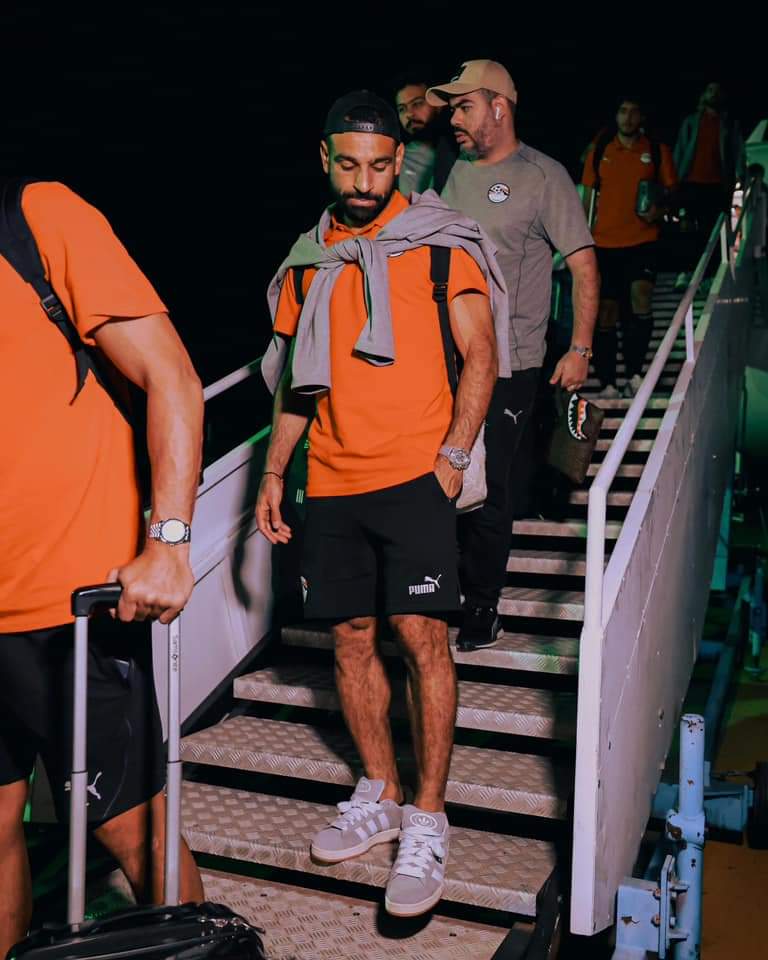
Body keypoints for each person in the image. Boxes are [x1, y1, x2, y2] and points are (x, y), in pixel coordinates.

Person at [256, 90, 507, 918]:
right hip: (330, 480)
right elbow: (296, 383)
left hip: (415, 476)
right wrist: (273, 472)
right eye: (348, 165)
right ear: (324, 160)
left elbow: (481, 354)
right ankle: (380, 791)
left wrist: (452, 460)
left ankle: (428, 817)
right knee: (351, 637)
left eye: (378, 165)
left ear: (400, 161)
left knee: (422, 638)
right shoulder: (309, 260)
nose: (363, 182)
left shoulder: (440, 246)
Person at [0, 180, 205, 953]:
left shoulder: (37, 218)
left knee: (132, 832)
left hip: (75, 611)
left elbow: (172, 377)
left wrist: (169, 542)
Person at [426, 59, 599, 649]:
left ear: (499, 107)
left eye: (464, 106)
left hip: (511, 362)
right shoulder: (455, 173)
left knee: (490, 484)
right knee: (442, 473)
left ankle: (481, 607)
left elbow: (584, 266)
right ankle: (439, 589)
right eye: (452, 108)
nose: (454, 118)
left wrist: (579, 348)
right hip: (448, 360)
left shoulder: (543, 176)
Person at [580, 96, 678, 399]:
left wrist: (660, 210)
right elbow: (587, 196)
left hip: (643, 240)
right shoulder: (600, 150)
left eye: (634, 111)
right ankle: (608, 382)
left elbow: (671, 192)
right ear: (615, 116)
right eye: (623, 111)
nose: (628, 117)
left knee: (640, 296)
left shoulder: (656, 150)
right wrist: (581, 239)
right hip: (604, 242)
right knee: (606, 312)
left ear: (642, 117)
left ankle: (635, 373)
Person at [673, 82, 745, 289]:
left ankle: (710, 276)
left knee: (714, 232)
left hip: (718, 185)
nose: (714, 94)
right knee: (689, 230)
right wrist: (674, 180)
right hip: (691, 183)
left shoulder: (729, 123)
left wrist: (741, 174)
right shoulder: (691, 122)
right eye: (710, 90)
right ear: (703, 95)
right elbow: (680, 149)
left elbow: (738, 151)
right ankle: (686, 272)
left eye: (717, 91)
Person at [393, 70, 458, 196]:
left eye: (417, 104)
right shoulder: (395, 159)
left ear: (437, 104)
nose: (409, 114)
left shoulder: (461, 148)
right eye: (402, 109)